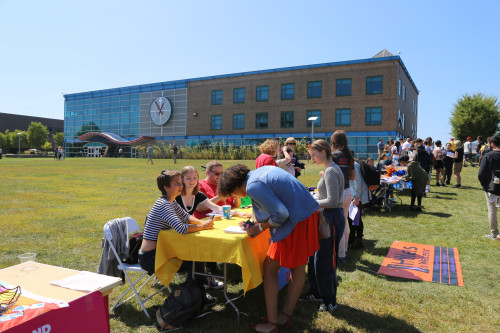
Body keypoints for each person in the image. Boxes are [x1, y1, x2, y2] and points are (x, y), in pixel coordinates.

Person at [218, 165, 319, 332]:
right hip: (305, 216)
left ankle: (272, 325)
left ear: (235, 187)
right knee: (298, 268)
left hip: (295, 221)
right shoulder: (259, 173)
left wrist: (259, 228)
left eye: (231, 193)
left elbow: (281, 214)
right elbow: (275, 203)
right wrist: (256, 223)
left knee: (270, 268)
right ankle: (285, 316)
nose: (234, 196)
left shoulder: (252, 185)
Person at [138, 170, 217, 308]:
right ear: (165, 187)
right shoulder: (164, 205)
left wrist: (202, 223)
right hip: (150, 258)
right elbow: (181, 228)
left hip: (161, 252)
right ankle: (198, 296)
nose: (181, 186)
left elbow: (186, 216)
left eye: (181, 183)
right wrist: (203, 226)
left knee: (195, 257)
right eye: (176, 183)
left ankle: (197, 293)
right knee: (195, 260)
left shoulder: (170, 201)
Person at [175, 166, 249, 290]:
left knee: (201, 245)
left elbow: (219, 209)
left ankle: (203, 279)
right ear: (182, 179)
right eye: (188, 178)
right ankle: (202, 281)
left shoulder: (198, 195)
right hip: (173, 233)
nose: (192, 181)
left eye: (195, 177)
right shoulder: (176, 196)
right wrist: (200, 225)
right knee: (198, 248)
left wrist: (237, 213)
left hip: (186, 230)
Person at [300, 140, 344, 313]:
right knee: (315, 260)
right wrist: (314, 195)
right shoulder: (329, 170)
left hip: (330, 219)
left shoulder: (331, 171)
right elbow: (326, 195)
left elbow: (332, 201)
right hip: (326, 218)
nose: (312, 159)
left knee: (325, 263)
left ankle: (329, 301)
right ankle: (317, 293)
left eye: (314, 155)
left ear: (324, 152)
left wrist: (310, 201)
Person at [330, 130, 355, 262]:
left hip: (338, 193)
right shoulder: (349, 155)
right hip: (348, 191)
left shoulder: (332, 156)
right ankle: (343, 252)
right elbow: (353, 176)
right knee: (344, 223)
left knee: (338, 225)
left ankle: (340, 255)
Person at [478, 136, 500, 241]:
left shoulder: (488, 156)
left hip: (492, 187)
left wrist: (485, 185)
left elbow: (481, 174)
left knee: (492, 210)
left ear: (492, 144)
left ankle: (495, 233)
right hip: (493, 186)